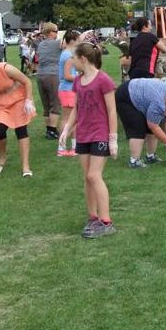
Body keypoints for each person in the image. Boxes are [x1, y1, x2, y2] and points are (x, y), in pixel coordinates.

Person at [59, 43, 118, 239]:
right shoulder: (78, 81)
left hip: (100, 133)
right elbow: (76, 108)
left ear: (83, 58)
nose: (72, 61)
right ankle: (93, 217)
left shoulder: (104, 80)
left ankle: (106, 221)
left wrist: (113, 139)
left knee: (94, 175)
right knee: (87, 177)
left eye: (74, 58)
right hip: (83, 134)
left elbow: (111, 110)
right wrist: (67, 129)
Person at [115, 78, 166, 168]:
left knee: (153, 124)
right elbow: (153, 126)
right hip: (126, 95)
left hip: (143, 96)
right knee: (138, 127)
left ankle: (150, 157)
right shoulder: (159, 103)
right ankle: (134, 161)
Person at [36, 22, 62, 140]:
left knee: (46, 105)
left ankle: (48, 129)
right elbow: (72, 43)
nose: (57, 33)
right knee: (55, 104)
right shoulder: (57, 44)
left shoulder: (41, 44)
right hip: (52, 75)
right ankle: (52, 131)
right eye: (56, 31)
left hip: (40, 75)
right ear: (50, 32)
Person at [57, 30, 80, 156]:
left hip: (69, 89)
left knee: (73, 119)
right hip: (67, 89)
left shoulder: (67, 54)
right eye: (78, 39)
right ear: (72, 40)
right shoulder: (68, 56)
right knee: (67, 119)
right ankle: (61, 148)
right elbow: (66, 76)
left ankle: (74, 147)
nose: (79, 42)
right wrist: (81, 77)